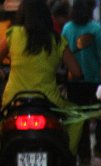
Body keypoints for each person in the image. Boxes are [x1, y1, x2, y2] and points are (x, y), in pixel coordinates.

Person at [0, 0, 82, 152]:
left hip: (13, 102)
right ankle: (67, 156)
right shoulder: (56, 40)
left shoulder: (14, 34)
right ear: (46, 15)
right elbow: (77, 72)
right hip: (49, 102)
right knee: (77, 119)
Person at [62, 0, 101, 158]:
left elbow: (63, 54)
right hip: (94, 80)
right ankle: (98, 147)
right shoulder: (95, 28)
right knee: (98, 115)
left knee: (78, 119)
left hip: (74, 82)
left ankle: (82, 151)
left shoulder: (67, 28)